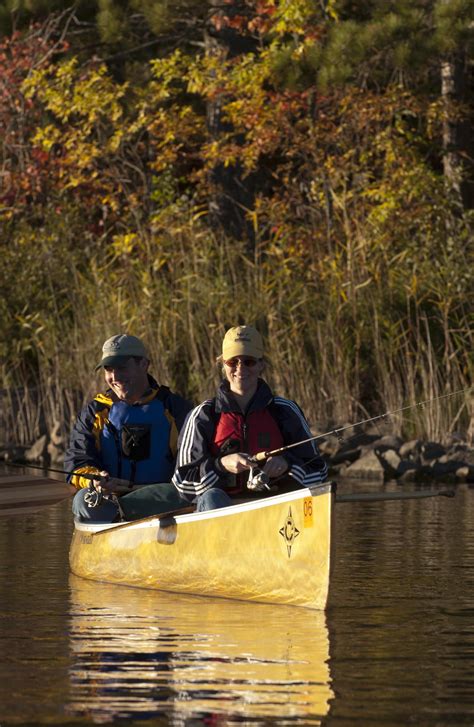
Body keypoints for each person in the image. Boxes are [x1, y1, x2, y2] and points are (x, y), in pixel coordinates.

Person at [172, 325, 328, 511]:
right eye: (233, 362)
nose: (240, 368)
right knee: (212, 496)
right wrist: (220, 465)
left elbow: (319, 473)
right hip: (220, 510)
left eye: (249, 362)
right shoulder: (202, 415)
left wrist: (287, 463)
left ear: (261, 364)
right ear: (223, 364)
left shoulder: (286, 410)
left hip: (273, 506)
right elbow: (182, 484)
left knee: (300, 495)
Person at [66, 334, 193, 522]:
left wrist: (144, 492)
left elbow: (192, 465)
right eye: (109, 369)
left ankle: (125, 511)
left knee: (185, 494)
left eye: (122, 368)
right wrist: (94, 480)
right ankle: (118, 513)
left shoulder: (175, 408)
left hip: (162, 501)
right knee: (82, 501)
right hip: (110, 501)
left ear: (144, 364)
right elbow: (78, 462)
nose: (115, 377)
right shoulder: (95, 412)